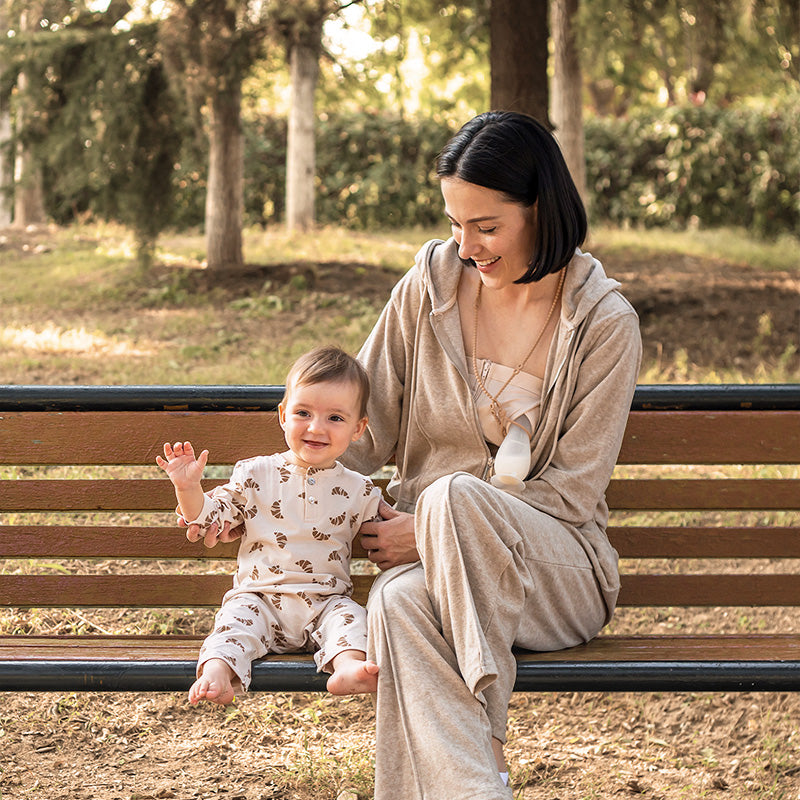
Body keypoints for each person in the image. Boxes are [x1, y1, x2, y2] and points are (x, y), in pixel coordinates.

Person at [340, 111, 643, 798]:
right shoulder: (429, 288)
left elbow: (571, 493)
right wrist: (289, 484)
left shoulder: (604, 323)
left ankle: (489, 726)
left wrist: (434, 527)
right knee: (401, 607)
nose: (466, 245)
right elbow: (365, 429)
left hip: (557, 573)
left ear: (540, 209)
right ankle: (483, 785)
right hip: (438, 573)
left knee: (449, 496)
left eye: (486, 226)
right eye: (455, 223)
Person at [158, 345, 383, 706]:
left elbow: (387, 536)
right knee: (234, 623)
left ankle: (347, 667)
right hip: (260, 599)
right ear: (282, 415)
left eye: (335, 419)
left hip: (325, 603)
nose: (315, 428)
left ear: (358, 429)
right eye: (303, 412)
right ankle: (217, 672)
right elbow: (209, 517)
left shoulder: (360, 489)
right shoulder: (254, 473)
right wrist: (188, 488)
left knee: (353, 618)